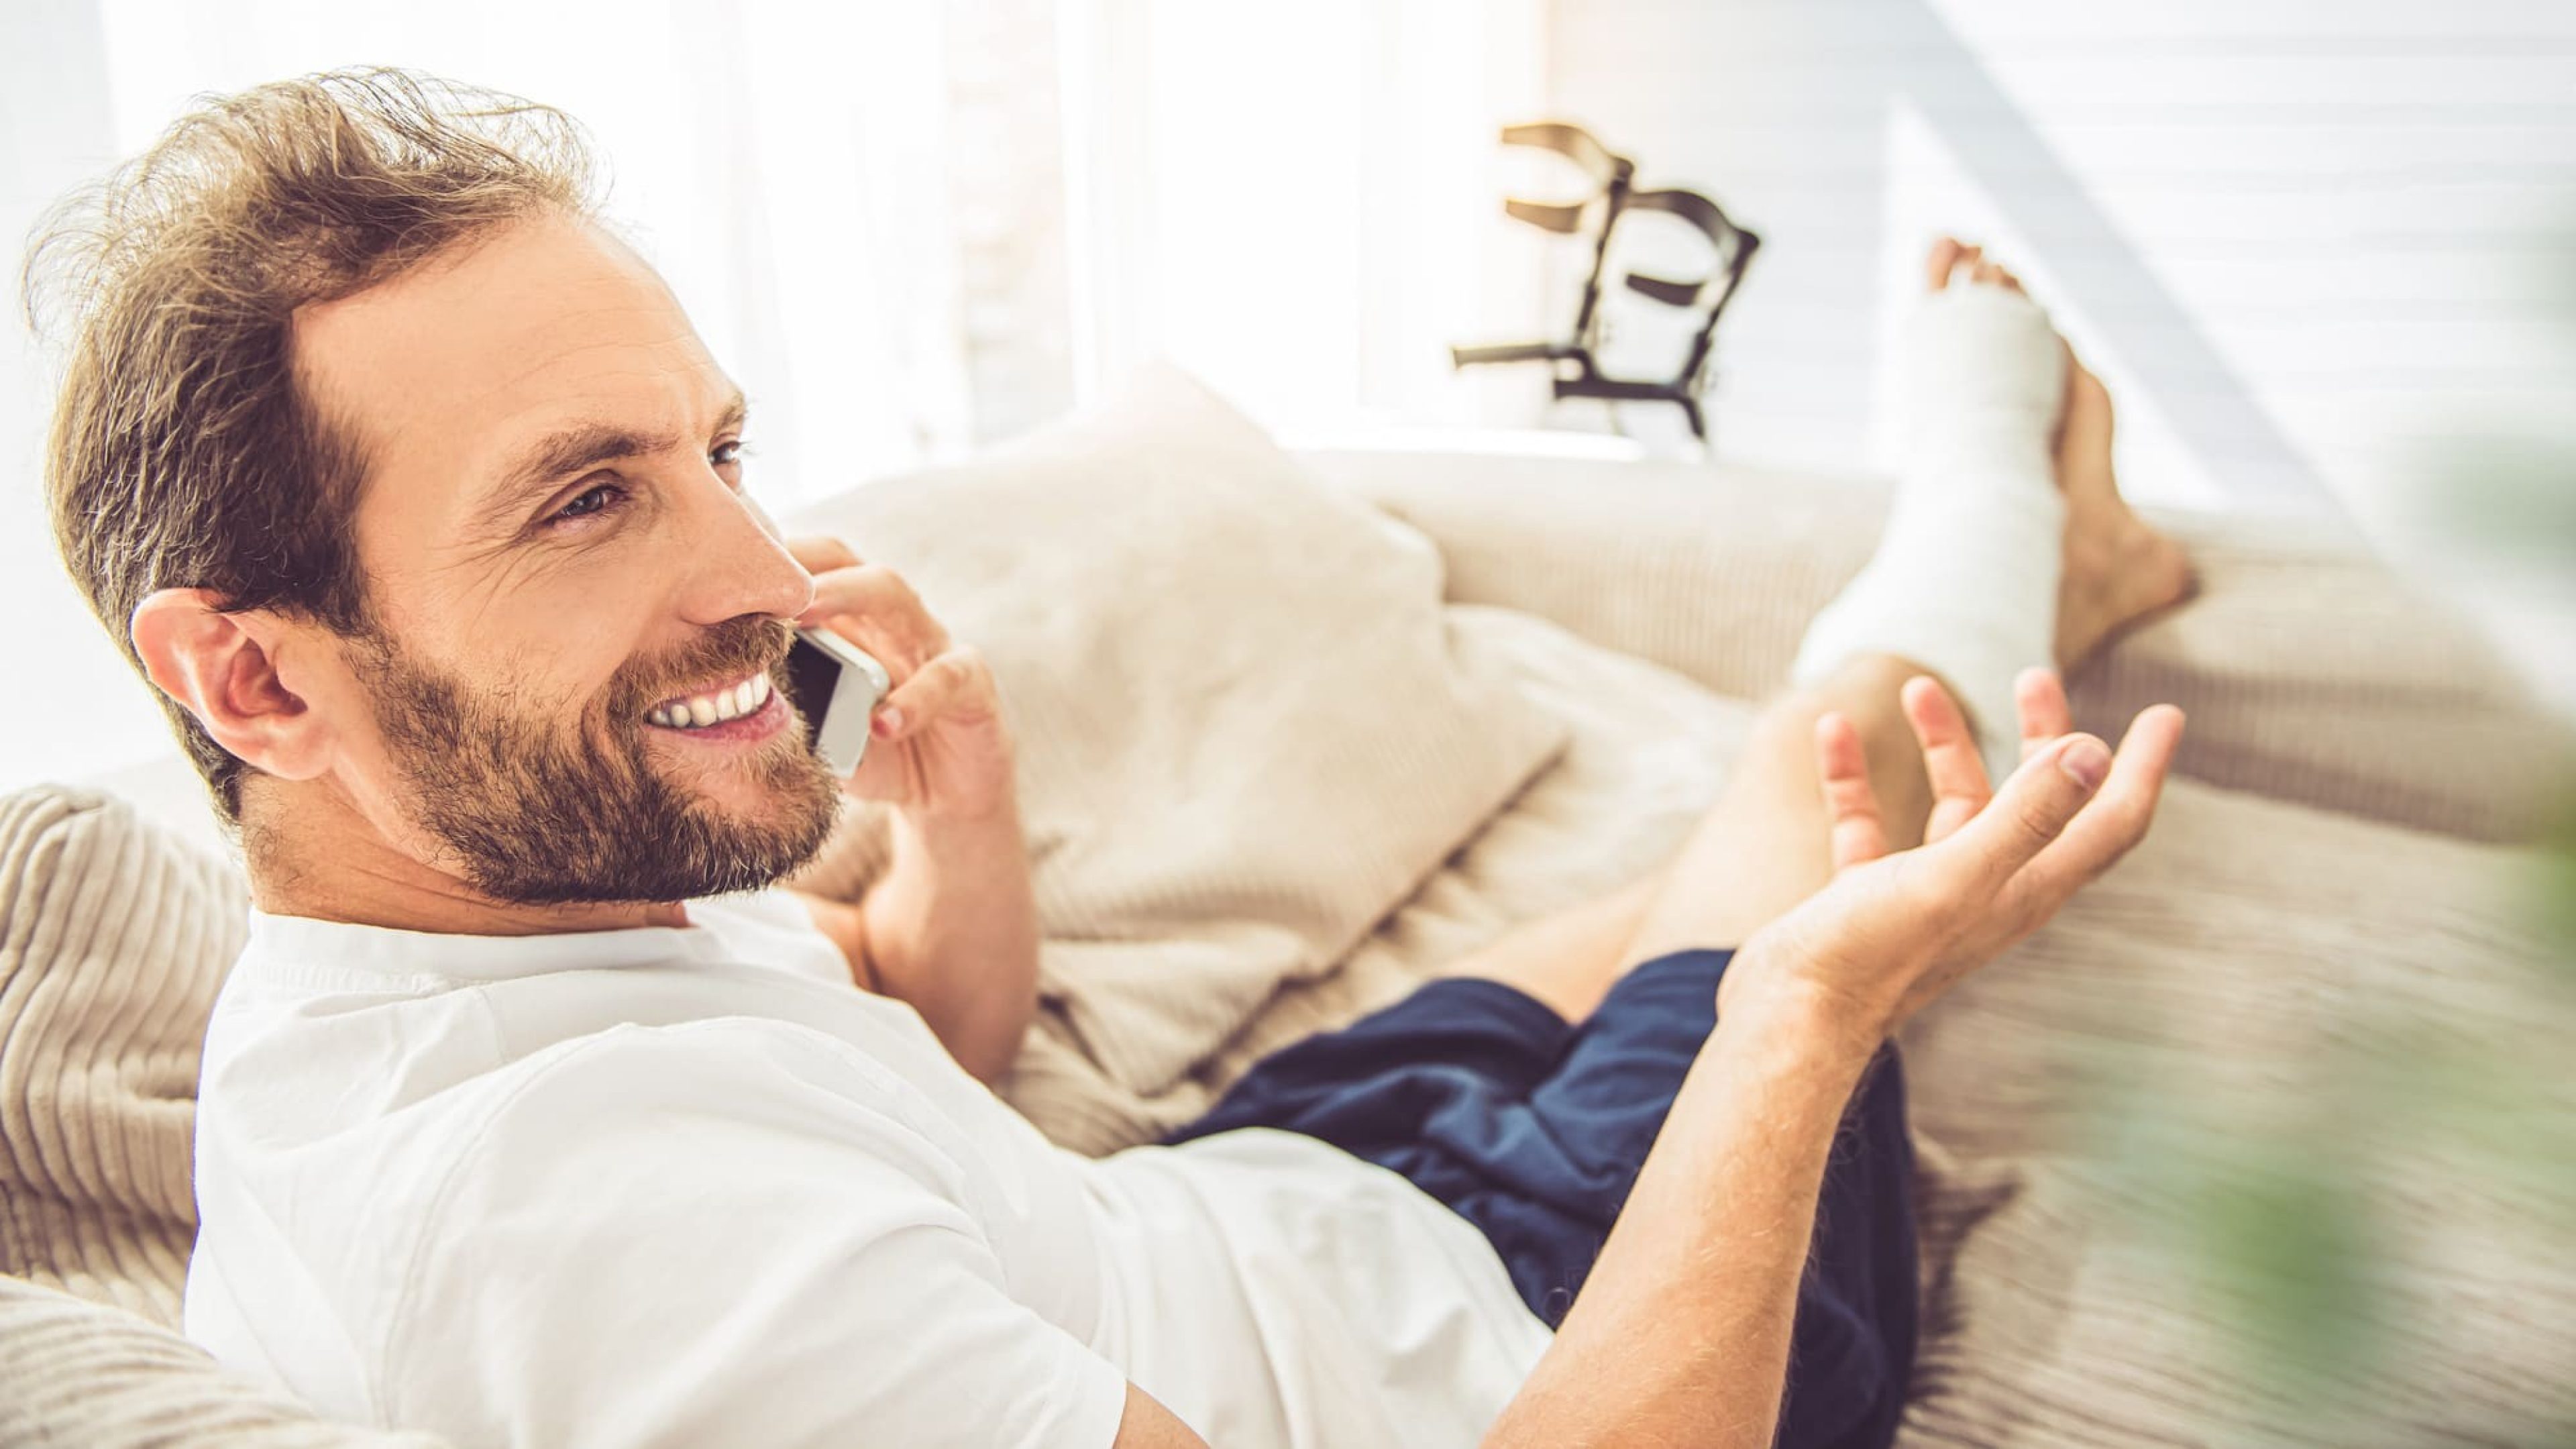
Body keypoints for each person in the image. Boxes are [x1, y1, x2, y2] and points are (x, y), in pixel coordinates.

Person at [25, 69, 2192, 1449]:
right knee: (1793, 838)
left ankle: (2016, 584)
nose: (766, 573)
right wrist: (1807, 1020)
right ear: (259, 684)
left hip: (1236, 1214)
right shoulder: (606, 1254)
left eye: (721, 451)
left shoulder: (469, 929)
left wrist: (955, 831)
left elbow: (903, 1068)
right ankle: (2016, 498)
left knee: (1634, 915)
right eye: (588, 499)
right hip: (1541, 1350)